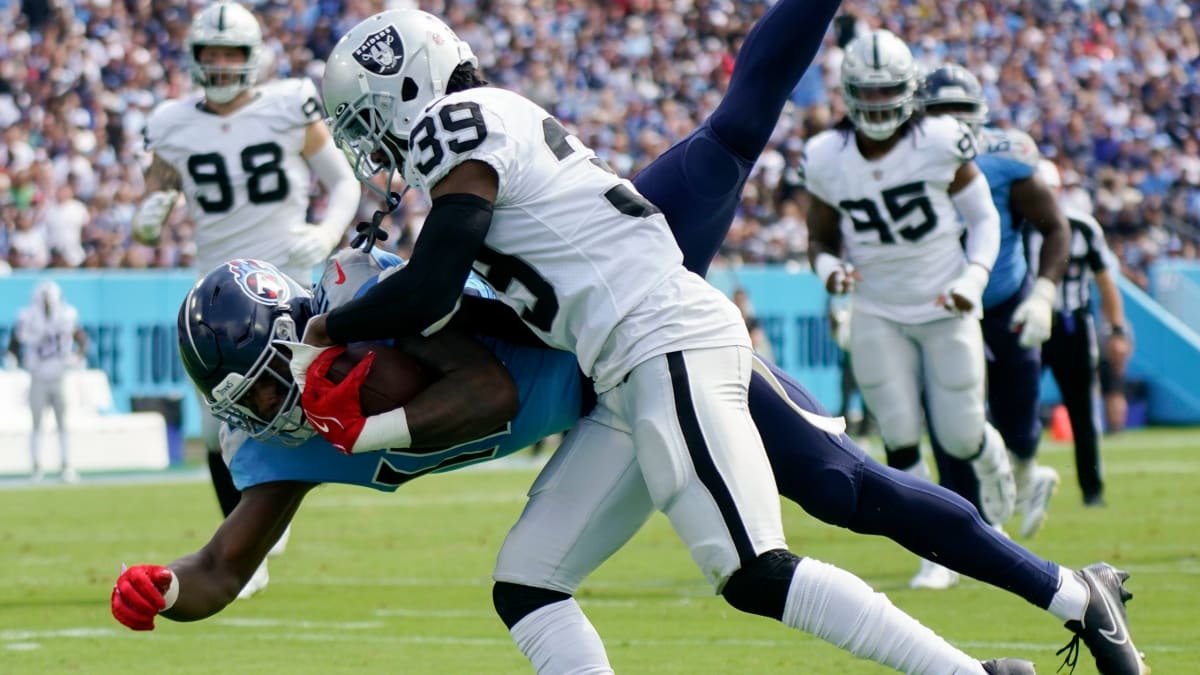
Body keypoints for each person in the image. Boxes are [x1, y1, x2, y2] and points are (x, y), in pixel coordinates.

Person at [113, 5, 1148, 674]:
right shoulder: (309, 375)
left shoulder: (465, 128)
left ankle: (982, 671)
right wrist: (170, 589)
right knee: (528, 581)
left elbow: (461, 347)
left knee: (763, 557)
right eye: (250, 400)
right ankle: (1062, 598)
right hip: (608, 365)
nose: (264, 408)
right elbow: (225, 560)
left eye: (264, 384)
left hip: (652, 327)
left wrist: (348, 363)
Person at [131, 0, 361, 598]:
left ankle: (254, 540)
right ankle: (245, 541)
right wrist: (149, 219)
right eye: (213, 53)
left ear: (253, 57)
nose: (224, 63)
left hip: (280, 278)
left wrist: (327, 231)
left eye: (233, 52)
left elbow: (343, 181)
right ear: (195, 58)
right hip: (217, 289)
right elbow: (152, 203)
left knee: (292, 408)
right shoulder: (172, 121)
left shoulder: (288, 105)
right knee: (217, 425)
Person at [803, 29, 1016, 590]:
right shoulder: (826, 156)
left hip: (946, 301)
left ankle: (991, 456)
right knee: (898, 432)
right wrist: (832, 273)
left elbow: (985, 219)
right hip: (878, 307)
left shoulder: (941, 141)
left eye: (886, 92)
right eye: (866, 94)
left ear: (910, 90)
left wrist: (974, 277)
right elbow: (820, 240)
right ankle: (935, 551)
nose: (876, 106)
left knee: (962, 434)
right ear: (848, 94)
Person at [918, 63, 1072, 540]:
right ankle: (968, 526)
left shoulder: (1006, 157)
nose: (950, 123)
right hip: (940, 305)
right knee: (951, 418)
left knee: (1017, 417)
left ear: (980, 115)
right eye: (939, 112)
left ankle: (1025, 474)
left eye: (960, 112)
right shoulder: (901, 159)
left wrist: (1045, 293)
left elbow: (1056, 227)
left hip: (1004, 298)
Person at [1030, 160, 1132, 508]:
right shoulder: (1015, 227)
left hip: (1072, 326)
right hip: (1027, 326)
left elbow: (1106, 283)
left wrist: (1117, 328)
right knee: (1013, 409)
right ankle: (1011, 488)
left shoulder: (1083, 228)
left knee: (1083, 412)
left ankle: (1092, 491)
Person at [8, 281, 88, 483]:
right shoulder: (28, 317)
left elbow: (81, 337)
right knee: (37, 424)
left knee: (63, 424)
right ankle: (36, 466)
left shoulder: (66, 315)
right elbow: (15, 341)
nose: (46, 304)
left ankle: (66, 465)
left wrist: (78, 356)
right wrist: (14, 358)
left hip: (59, 374)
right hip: (37, 375)